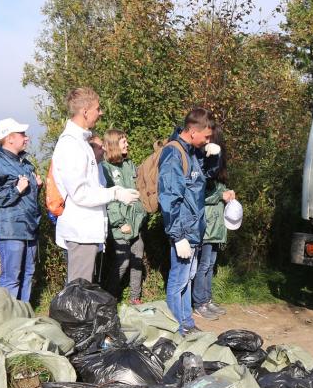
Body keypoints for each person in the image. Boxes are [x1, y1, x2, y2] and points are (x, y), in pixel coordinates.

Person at [50, 87, 140, 284]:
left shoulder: (81, 142)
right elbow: (80, 193)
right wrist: (115, 193)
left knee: (84, 289)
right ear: (84, 112)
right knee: (78, 290)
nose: (101, 113)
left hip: (87, 230)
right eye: (97, 109)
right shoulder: (71, 144)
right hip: (80, 231)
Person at [159, 107, 214, 336]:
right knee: (178, 280)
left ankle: (186, 322)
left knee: (188, 278)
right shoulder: (174, 153)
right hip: (182, 230)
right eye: (207, 136)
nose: (208, 140)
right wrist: (177, 235)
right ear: (193, 131)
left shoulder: (191, 151)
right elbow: (169, 196)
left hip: (192, 229)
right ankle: (176, 328)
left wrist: (212, 156)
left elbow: (199, 183)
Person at [0, 117, 41, 304]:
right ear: (10, 138)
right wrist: (15, 190)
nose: (26, 138)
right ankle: (7, 319)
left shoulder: (25, 164)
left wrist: (37, 186)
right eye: (22, 134)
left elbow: (27, 197)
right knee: (11, 277)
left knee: (29, 273)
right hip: (10, 228)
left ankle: (22, 316)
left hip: (30, 226)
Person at [192, 127, 235, 321]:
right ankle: (199, 302)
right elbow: (200, 195)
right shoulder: (203, 165)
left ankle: (207, 299)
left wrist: (228, 194)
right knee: (203, 264)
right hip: (207, 223)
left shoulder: (217, 171)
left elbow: (217, 192)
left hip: (217, 225)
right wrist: (220, 195)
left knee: (210, 264)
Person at [101, 130, 146, 304]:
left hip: (136, 223)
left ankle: (135, 298)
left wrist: (142, 214)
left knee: (137, 260)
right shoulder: (104, 168)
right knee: (123, 261)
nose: (127, 144)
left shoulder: (129, 165)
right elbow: (109, 200)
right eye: (123, 142)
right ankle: (109, 298)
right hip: (120, 226)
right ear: (113, 145)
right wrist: (120, 223)